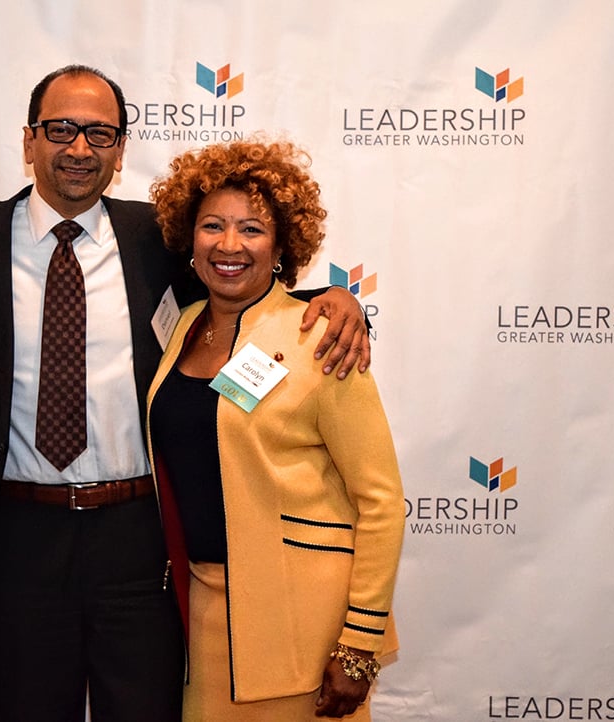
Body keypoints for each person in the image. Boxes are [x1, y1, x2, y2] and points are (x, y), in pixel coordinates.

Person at [0, 66, 372, 721]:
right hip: (20, 538)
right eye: (61, 130)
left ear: (120, 148)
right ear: (29, 141)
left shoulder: (160, 238)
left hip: (137, 541)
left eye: (100, 133)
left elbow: (241, 281)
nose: (80, 149)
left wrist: (335, 300)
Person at [147, 139, 405, 720]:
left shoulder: (322, 339)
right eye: (212, 226)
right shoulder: (183, 326)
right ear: (190, 241)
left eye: (253, 229)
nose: (229, 245)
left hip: (303, 626)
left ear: (284, 245)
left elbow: (382, 501)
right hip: (201, 620)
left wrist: (359, 644)